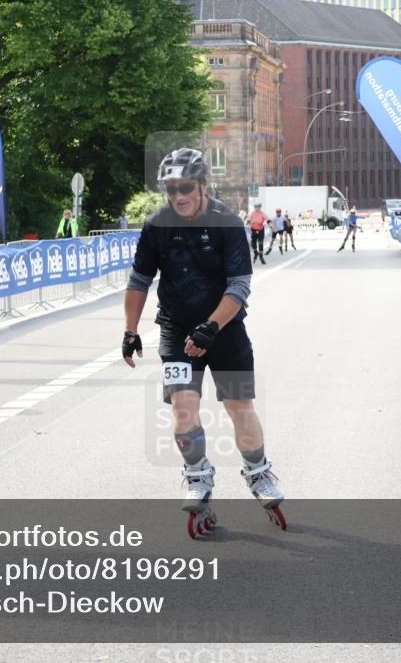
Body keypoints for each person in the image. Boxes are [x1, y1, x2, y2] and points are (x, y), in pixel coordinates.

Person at [122, 148, 284, 528]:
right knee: (183, 408)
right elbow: (139, 281)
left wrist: (211, 326)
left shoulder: (227, 223)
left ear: (204, 186)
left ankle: (259, 472)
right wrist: (130, 330)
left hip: (224, 329)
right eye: (171, 189)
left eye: (186, 188)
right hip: (177, 331)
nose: (178, 196)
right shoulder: (156, 225)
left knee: (239, 409)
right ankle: (197, 477)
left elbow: (240, 285)